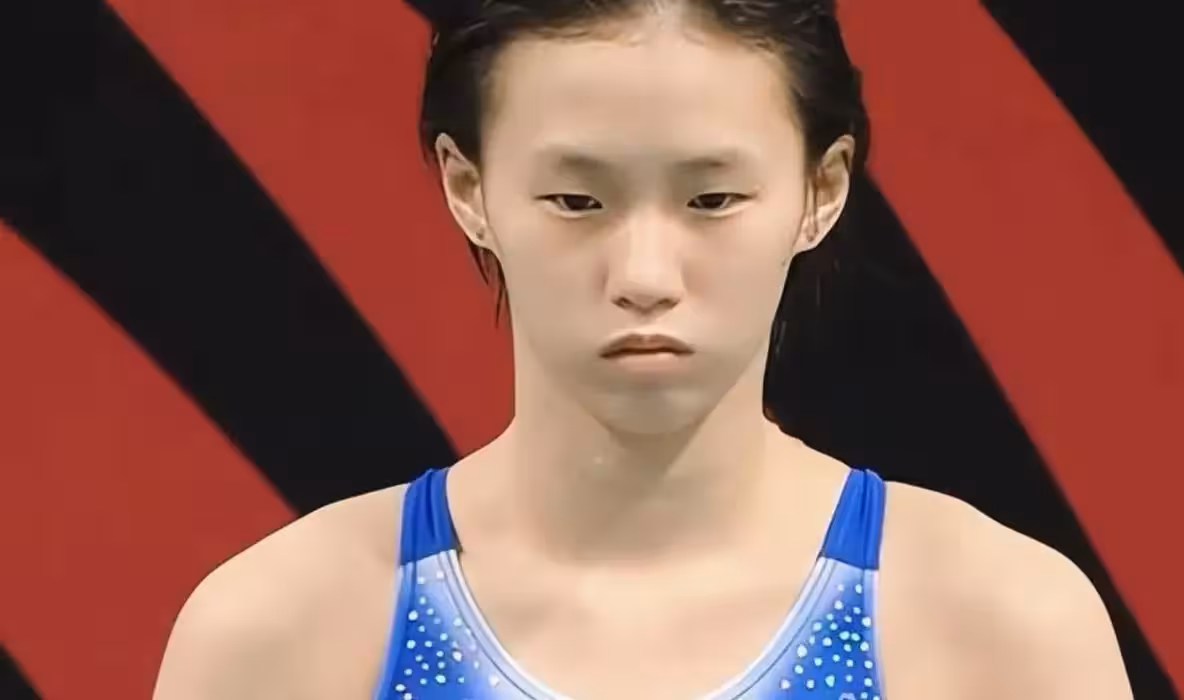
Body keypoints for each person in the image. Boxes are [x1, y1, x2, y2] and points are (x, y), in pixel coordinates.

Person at [152, 0, 1134, 698]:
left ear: (822, 190)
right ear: (467, 187)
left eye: (712, 198)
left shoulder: (1005, 631)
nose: (645, 273)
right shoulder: (281, 636)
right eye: (577, 199)